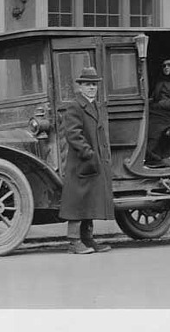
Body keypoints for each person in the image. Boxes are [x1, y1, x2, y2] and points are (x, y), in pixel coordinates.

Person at [59, 67, 115, 254]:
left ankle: (88, 239)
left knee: (89, 202)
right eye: (87, 84)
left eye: (94, 84)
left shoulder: (94, 105)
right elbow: (73, 134)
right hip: (82, 162)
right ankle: (74, 242)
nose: (92, 87)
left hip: (92, 162)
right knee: (77, 203)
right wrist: (88, 154)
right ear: (80, 87)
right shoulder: (75, 106)